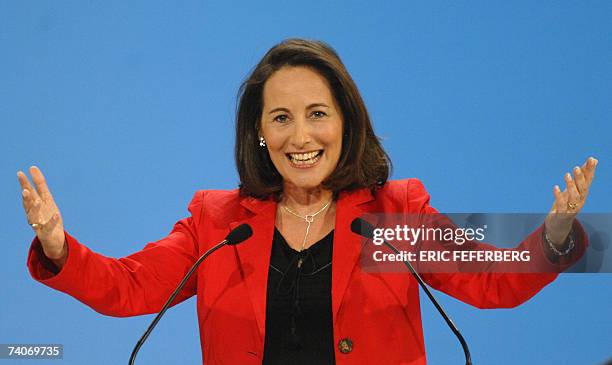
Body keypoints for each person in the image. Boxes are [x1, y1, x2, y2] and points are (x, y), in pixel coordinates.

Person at [18, 39, 598, 365]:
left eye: (318, 114)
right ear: (261, 135)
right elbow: (129, 286)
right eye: (281, 119)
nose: (301, 137)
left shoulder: (393, 213)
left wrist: (554, 234)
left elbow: (492, 280)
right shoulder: (217, 222)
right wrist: (56, 246)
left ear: (346, 121)